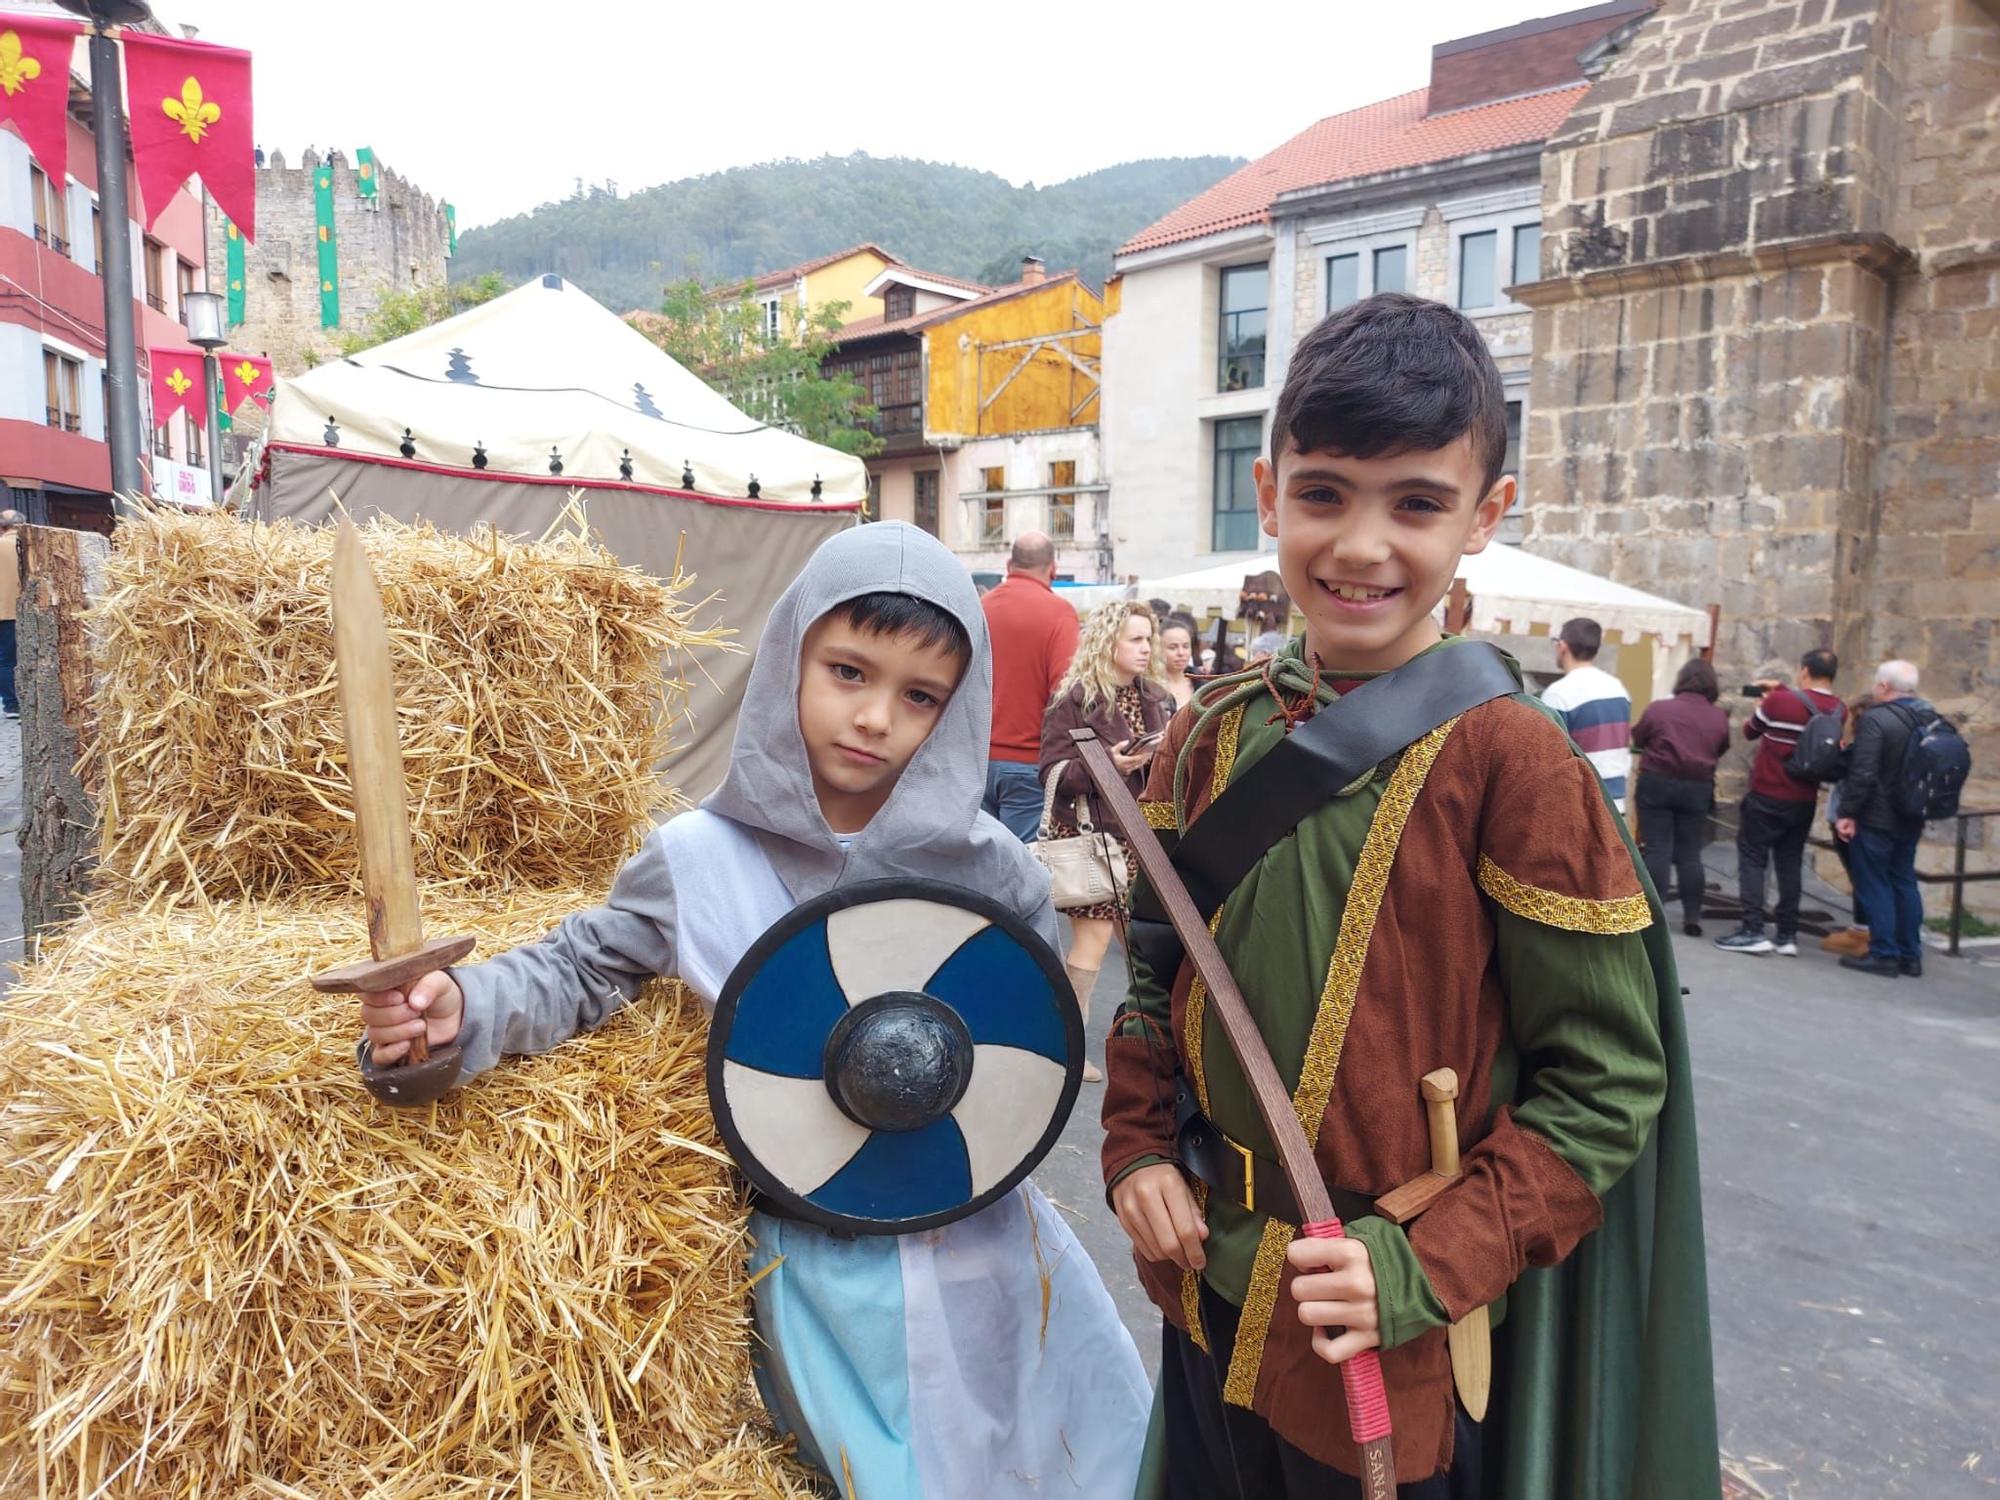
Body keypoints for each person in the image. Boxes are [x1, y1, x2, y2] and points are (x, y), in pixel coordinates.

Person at [358, 523, 1151, 1496]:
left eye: (917, 696)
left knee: (1050, 1463)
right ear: (791, 658)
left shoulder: (991, 873)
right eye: (847, 672)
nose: (873, 717)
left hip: (981, 1254)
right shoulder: (697, 862)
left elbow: (1020, 1056)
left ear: (955, 709)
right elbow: (578, 970)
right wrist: (460, 1010)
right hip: (813, 1272)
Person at [1100, 293, 1714, 1498]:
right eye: (1323, 494)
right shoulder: (1206, 738)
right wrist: (1131, 1153)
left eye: (1416, 504)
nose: (1361, 546)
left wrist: (1423, 1261)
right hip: (1207, 1289)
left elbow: (1604, 1085)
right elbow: (1149, 976)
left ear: (1483, 516)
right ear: (1269, 495)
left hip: (1386, 1336)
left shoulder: (1511, 759)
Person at [1040, 600, 1175, 1083]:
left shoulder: (1154, 696)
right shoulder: (1075, 699)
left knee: (1143, 944)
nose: (1146, 648)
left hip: (1142, 836)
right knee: (1093, 944)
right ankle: (1068, 1050)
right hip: (1093, 836)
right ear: (1108, 641)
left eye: (1148, 639)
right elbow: (1052, 772)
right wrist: (1107, 767)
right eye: (1136, 639)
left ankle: (1147, 1044)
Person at [1714, 649, 1844, 957]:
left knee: (1753, 859)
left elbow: (1750, 730)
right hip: (1804, 798)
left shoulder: (1778, 703)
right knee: (1790, 863)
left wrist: (1765, 702)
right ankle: (1787, 935)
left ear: (1804, 671)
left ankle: (1753, 929)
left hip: (1768, 792)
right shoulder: (1839, 709)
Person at [980, 530, 1079, 841]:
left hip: (976, 759)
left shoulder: (980, 607)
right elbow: (1064, 691)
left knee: (980, 865)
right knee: (1025, 867)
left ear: (1009, 564)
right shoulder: (1058, 612)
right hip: (1029, 763)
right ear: (1053, 569)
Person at [1834, 660, 1931, 978]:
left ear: (1884, 686)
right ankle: (1910, 955)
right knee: (1904, 881)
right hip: (1913, 813)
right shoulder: (1930, 716)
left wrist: (1846, 813)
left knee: (1874, 883)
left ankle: (1884, 953)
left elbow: (1863, 772)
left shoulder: (1876, 719)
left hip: (1877, 816)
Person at [1631, 658, 1731, 936]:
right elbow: (1720, 748)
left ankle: (1653, 915)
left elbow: (1639, 737)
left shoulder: (1660, 710)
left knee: (1657, 848)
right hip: (1697, 787)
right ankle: (1692, 916)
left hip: (1658, 782)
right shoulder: (1718, 717)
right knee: (1690, 853)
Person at [1539, 617, 1631, 812]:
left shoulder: (1558, 694)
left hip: (1581, 803)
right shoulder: (1618, 689)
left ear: (1562, 646)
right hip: (1615, 801)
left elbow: (1548, 756)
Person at [1820, 693, 1876, 957]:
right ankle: (1877, 931)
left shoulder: (1863, 747)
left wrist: (1835, 751)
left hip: (1855, 818)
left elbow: (1832, 770)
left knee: (1861, 876)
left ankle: (1861, 932)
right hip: (1882, 818)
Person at [0, 509, 24, 720]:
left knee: (5, 660)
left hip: (3, 611)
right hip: (29, 609)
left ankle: (11, 703)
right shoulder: (29, 545)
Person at [1159, 612, 1199, 710]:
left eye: (1186, 646)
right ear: (1158, 649)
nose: (1181, 653)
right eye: (1173, 647)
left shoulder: (1201, 684)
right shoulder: (1149, 688)